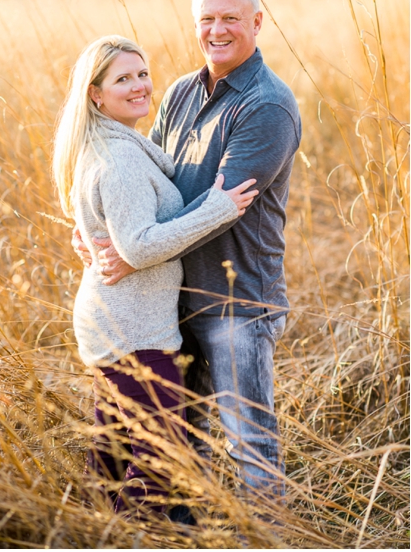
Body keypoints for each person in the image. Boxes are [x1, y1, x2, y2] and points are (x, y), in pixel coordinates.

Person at [75, 0, 302, 503]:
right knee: (180, 448)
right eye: (206, 19)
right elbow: (148, 186)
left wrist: (134, 254)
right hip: (171, 305)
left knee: (249, 445)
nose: (216, 30)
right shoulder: (178, 93)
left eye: (230, 18)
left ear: (257, 23)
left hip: (236, 303)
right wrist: (93, 230)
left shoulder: (266, 106)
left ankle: (264, 537)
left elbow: (223, 205)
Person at [52, 34, 258, 516]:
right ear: (95, 94)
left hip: (115, 318)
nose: (140, 85)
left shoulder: (114, 141)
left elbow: (119, 229)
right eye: (123, 78)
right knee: (164, 456)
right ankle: (130, 535)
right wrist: (218, 209)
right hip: (131, 328)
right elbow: (139, 245)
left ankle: (90, 530)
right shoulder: (120, 157)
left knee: (113, 449)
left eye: (142, 73)